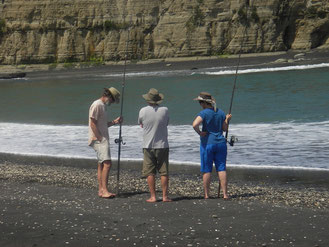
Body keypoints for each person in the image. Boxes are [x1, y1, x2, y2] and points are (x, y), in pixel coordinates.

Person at [192, 92, 232, 199]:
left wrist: (200, 133)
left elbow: (194, 124)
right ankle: (225, 194)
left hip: (207, 144)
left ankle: (206, 194)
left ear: (204, 103)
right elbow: (225, 129)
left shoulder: (204, 113)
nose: (200, 104)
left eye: (200, 102)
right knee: (221, 168)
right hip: (221, 143)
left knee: (207, 169)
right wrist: (227, 120)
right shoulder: (220, 112)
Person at [138, 88, 172, 203]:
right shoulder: (165, 110)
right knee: (164, 172)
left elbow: (141, 124)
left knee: (150, 172)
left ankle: (153, 196)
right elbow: (166, 123)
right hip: (162, 144)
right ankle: (164, 196)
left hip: (148, 145)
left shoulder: (143, 111)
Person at [88, 87, 122, 198]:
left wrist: (114, 122)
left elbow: (101, 124)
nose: (112, 103)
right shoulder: (97, 105)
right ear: (109, 96)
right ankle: (104, 191)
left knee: (101, 164)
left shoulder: (101, 105)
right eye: (112, 100)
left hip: (99, 138)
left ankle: (101, 190)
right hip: (99, 139)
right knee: (107, 164)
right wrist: (100, 138)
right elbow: (92, 123)